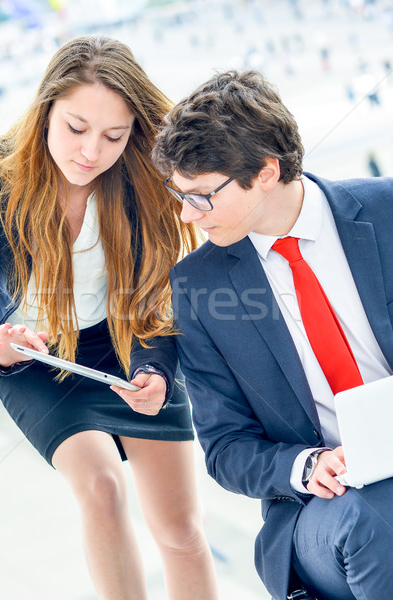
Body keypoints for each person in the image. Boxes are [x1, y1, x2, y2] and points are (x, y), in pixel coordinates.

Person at [0, 35, 219, 600]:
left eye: (114, 136)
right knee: (102, 488)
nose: (91, 152)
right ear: (45, 111)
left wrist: (156, 370)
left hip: (126, 346)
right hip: (34, 360)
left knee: (182, 532)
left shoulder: (142, 183)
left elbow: (150, 307)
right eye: (75, 128)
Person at [152, 69, 393, 600]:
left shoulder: (386, 211)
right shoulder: (199, 285)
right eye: (179, 194)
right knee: (377, 519)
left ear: (265, 171)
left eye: (202, 196)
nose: (187, 215)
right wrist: (308, 468)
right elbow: (225, 448)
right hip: (323, 509)